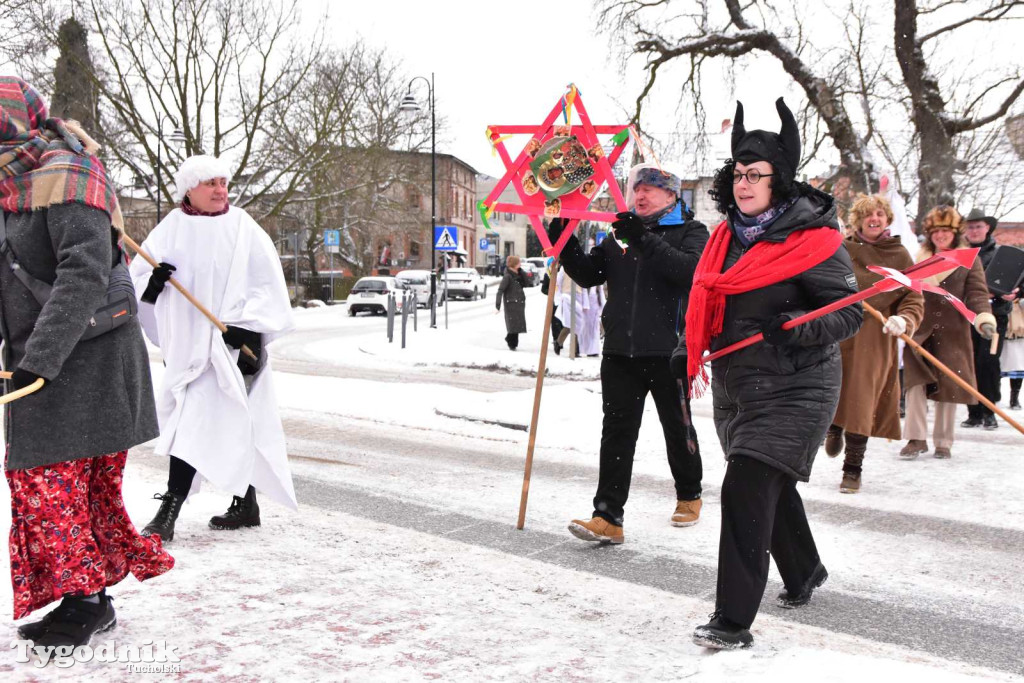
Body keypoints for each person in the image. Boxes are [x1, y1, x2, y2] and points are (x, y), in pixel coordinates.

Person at [680, 98, 863, 649]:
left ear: (779, 180)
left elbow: (848, 311)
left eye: (756, 174)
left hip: (797, 383)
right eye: (738, 173)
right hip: (739, 386)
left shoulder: (814, 239)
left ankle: (732, 620)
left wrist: (798, 326)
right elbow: (707, 306)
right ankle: (805, 571)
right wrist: (685, 345)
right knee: (770, 487)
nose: (744, 183)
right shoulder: (724, 239)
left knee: (746, 487)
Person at [0, 77, 173, 648]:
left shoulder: (67, 174)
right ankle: (88, 596)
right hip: (40, 359)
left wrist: (39, 361)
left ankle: (88, 599)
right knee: (61, 486)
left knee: (52, 483)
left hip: (90, 358)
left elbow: (84, 272)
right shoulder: (8, 183)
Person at [131, 155, 297, 542]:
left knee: (198, 421)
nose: (221, 191)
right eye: (211, 184)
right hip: (187, 347)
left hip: (231, 347)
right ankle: (246, 503)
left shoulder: (243, 228)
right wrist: (153, 285)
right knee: (220, 419)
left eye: (224, 183)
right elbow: (137, 281)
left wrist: (248, 329)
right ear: (189, 188)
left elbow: (265, 283)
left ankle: (170, 508)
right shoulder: (170, 228)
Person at [548, 162, 708, 544]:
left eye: (651, 189)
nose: (640, 195)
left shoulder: (691, 231)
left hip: (670, 350)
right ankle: (608, 517)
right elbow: (589, 274)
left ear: (671, 195)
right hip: (620, 350)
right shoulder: (619, 233)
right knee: (617, 433)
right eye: (637, 189)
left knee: (677, 425)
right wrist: (564, 238)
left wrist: (643, 239)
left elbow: (688, 272)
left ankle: (689, 493)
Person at [826, 195, 923, 493]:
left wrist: (905, 319)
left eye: (880, 213)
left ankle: (852, 469)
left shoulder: (899, 254)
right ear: (858, 220)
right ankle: (833, 426)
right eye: (868, 214)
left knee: (861, 401)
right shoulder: (841, 249)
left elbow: (914, 297)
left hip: (873, 338)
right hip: (837, 332)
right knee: (830, 390)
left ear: (887, 219)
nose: (874, 218)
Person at [900, 206, 996, 459]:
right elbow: (904, 293)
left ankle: (943, 442)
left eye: (945, 231)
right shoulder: (917, 258)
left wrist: (984, 318)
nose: (940, 236)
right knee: (914, 385)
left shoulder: (969, 259)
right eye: (935, 231)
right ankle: (915, 438)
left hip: (953, 331)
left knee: (948, 388)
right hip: (919, 330)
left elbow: (977, 293)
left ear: (954, 233)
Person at [961, 208, 1017, 429]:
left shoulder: (1001, 254)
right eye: (971, 226)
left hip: (996, 316)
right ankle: (973, 411)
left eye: (978, 226)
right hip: (967, 316)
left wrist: (1014, 293)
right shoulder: (961, 254)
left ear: (988, 228)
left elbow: (1017, 283)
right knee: (970, 362)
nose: (974, 231)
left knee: (989, 361)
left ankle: (990, 410)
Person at [496, 254, 528, 350]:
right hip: (511, 304)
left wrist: (522, 272)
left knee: (517, 324)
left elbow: (527, 283)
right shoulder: (508, 276)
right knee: (513, 324)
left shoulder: (518, 275)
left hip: (519, 303)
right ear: (514, 264)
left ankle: (512, 341)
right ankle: (512, 343)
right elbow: (500, 290)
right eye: (519, 263)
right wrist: (498, 304)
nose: (520, 264)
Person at [1002, 297, 1024, 410]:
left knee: (1018, 363)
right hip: (999, 314)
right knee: (994, 363)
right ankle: (994, 393)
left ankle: (1014, 397)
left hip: (1019, 324)